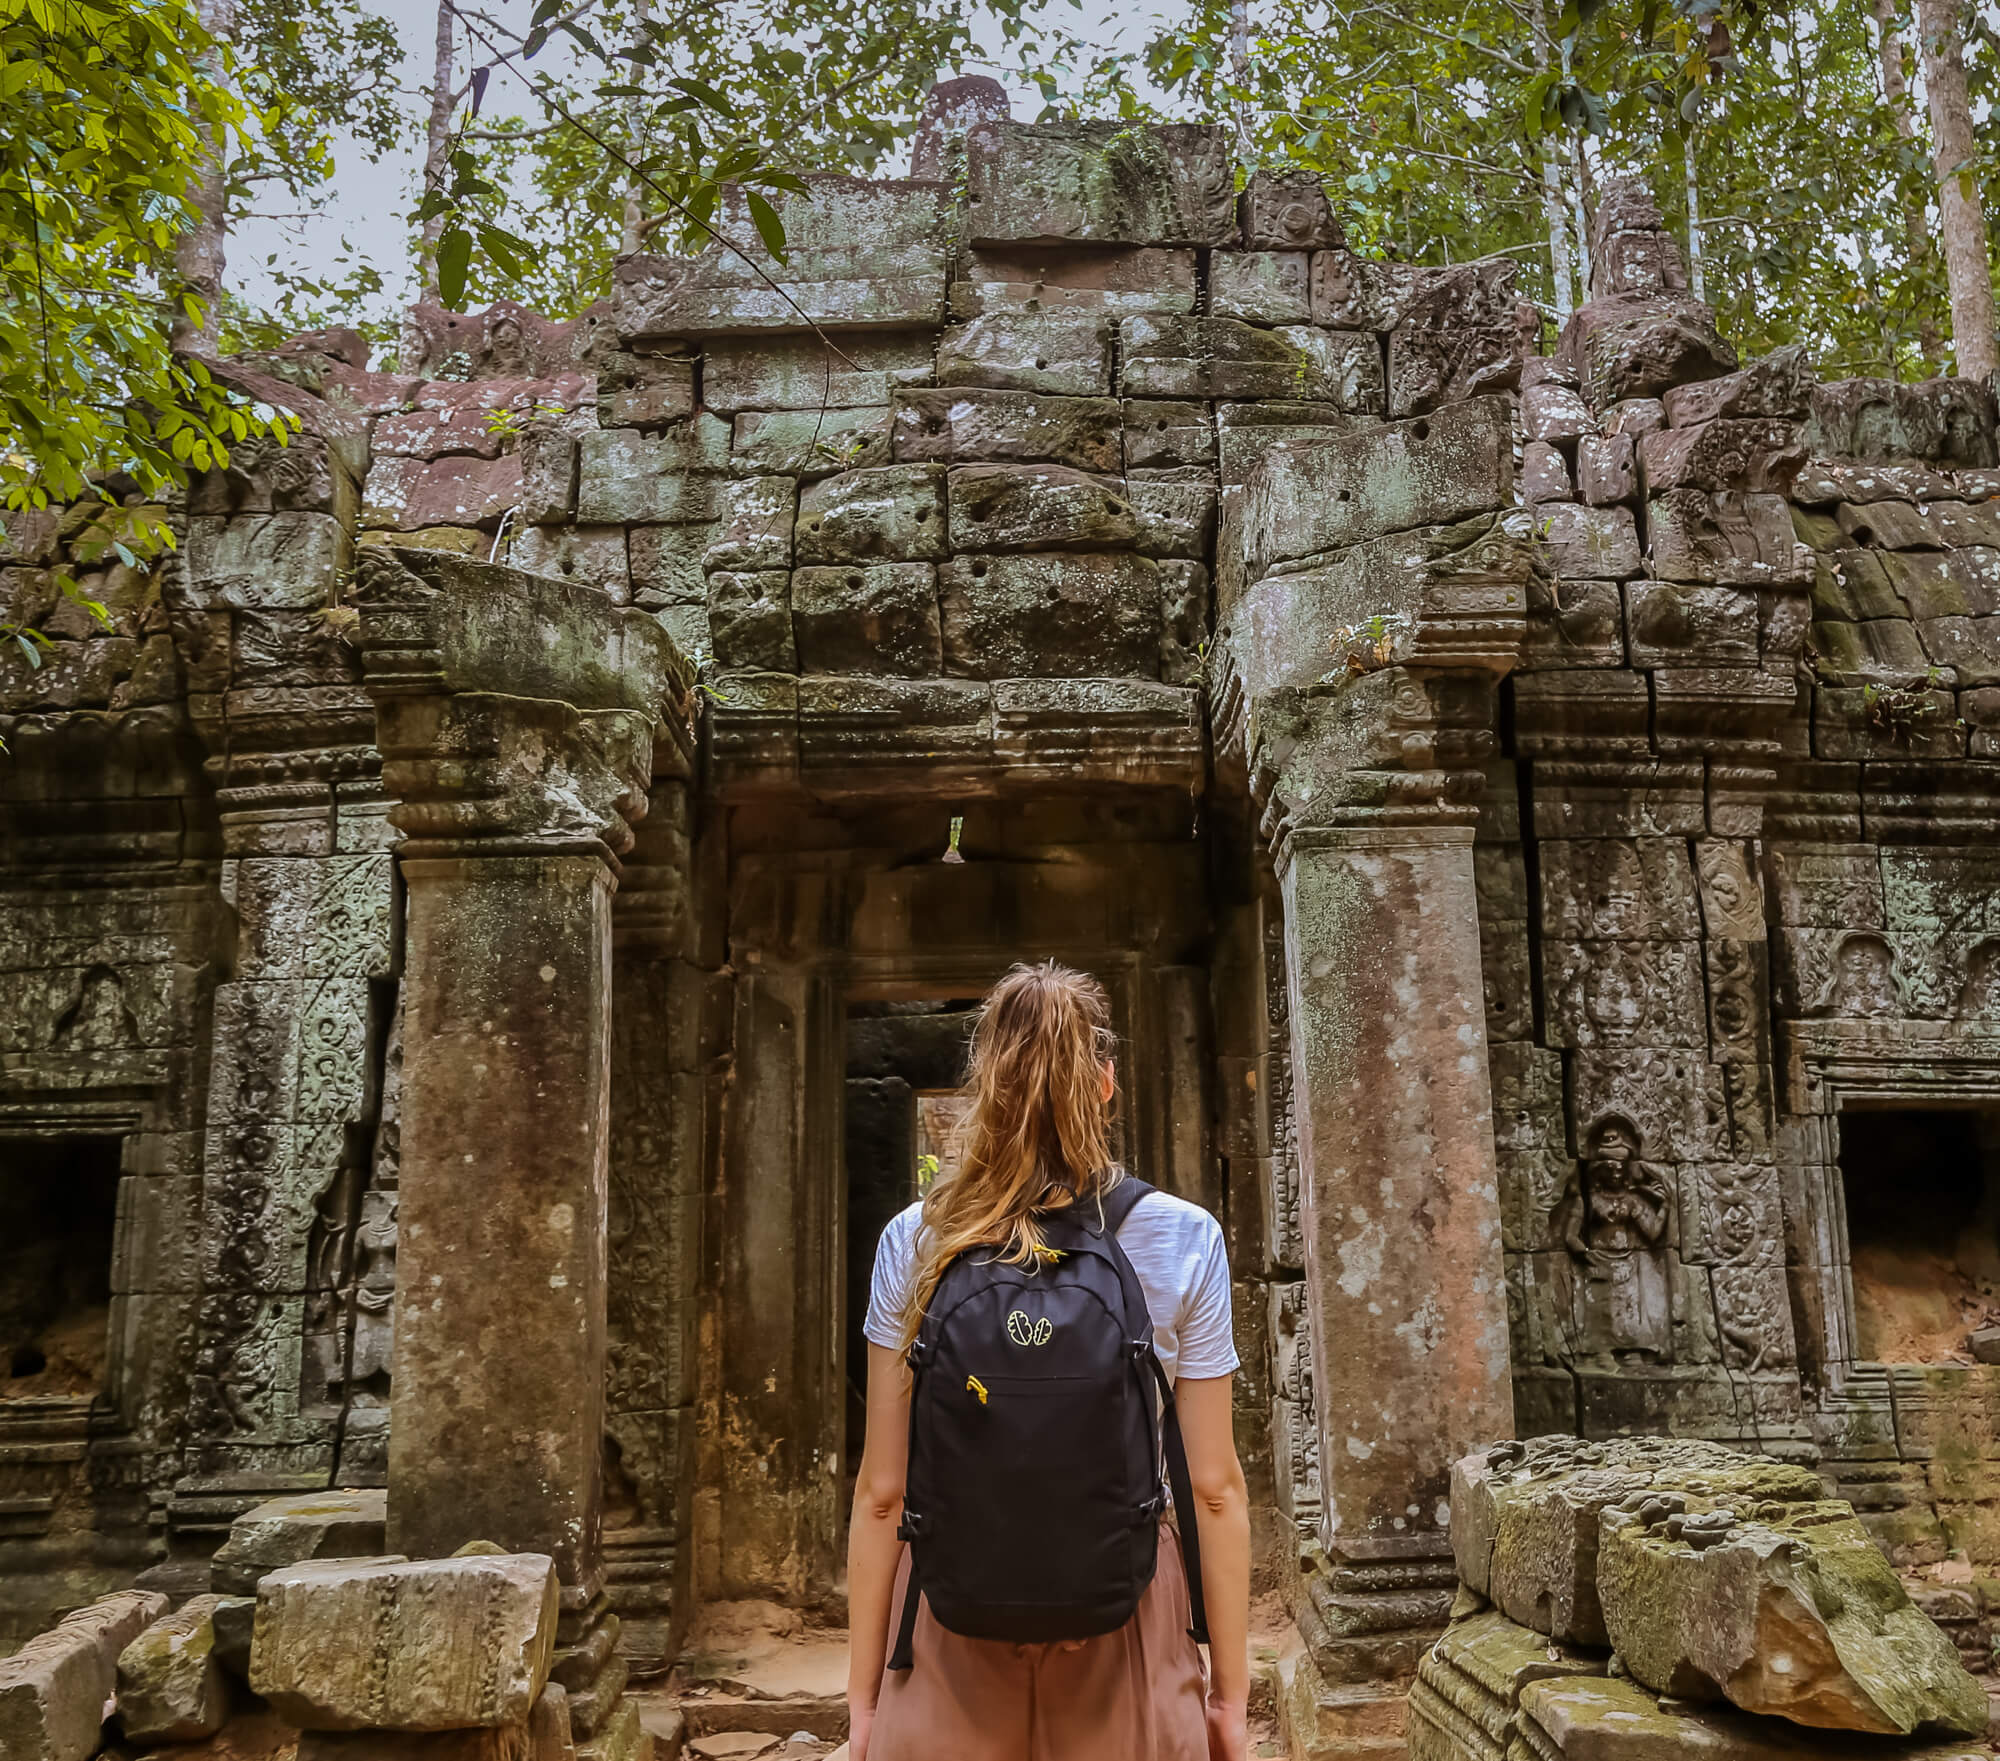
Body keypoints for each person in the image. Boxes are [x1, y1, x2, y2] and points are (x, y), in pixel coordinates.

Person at [846, 961, 1250, 1761]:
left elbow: (884, 1492)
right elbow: (1214, 1488)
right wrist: (1229, 1697)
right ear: (1105, 1085)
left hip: (948, 1622)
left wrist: (862, 1703)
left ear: (984, 1085)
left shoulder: (917, 1239)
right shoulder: (1184, 1235)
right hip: (1129, 1614)